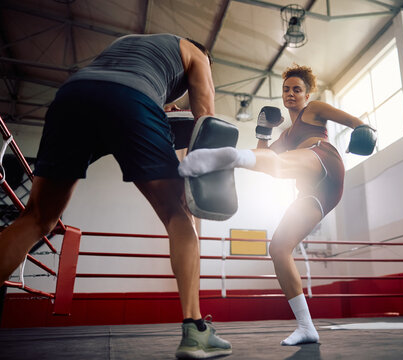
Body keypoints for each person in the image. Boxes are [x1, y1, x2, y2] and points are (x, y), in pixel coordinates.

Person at [0, 34, 231, 359]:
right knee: (177, 212)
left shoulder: (131, 43)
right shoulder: (196, 53)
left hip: (71, 96)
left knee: (37, 217)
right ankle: (195, 330)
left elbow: (112, 86)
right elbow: (205, 122)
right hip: (132, 100)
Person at [178, 64, 375, 346]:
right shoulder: (286, 135)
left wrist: (364, 130)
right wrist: (263, 130)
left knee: (281, 165)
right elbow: (262, 156)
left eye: (297, 89)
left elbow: (356, 122)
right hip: (313, 193)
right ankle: (307, 327)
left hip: (325, 162)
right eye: (286, 89)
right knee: (279, 248)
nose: (291, 94)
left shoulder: (314, 110)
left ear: (307, 95)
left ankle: (227, 157)